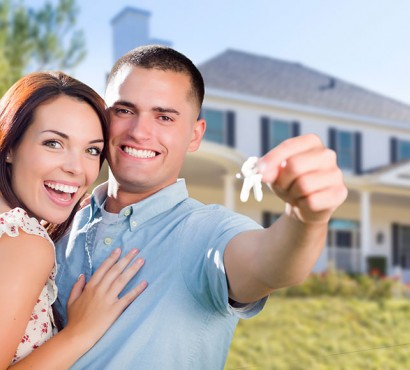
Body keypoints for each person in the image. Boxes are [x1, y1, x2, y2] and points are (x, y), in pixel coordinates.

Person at [54, 45, 348, 370]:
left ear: (195, 135)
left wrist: (306, 220)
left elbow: (269, 264)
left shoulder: (206, 231)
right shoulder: (62, 221)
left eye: (164, 117)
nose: (139, 131)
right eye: (124, 110)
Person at [0, 71, 147, 369]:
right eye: (54, 143)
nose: (76, 169)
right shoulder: (21, 241)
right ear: (11, 144)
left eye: (92, 150)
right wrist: (81, 332)